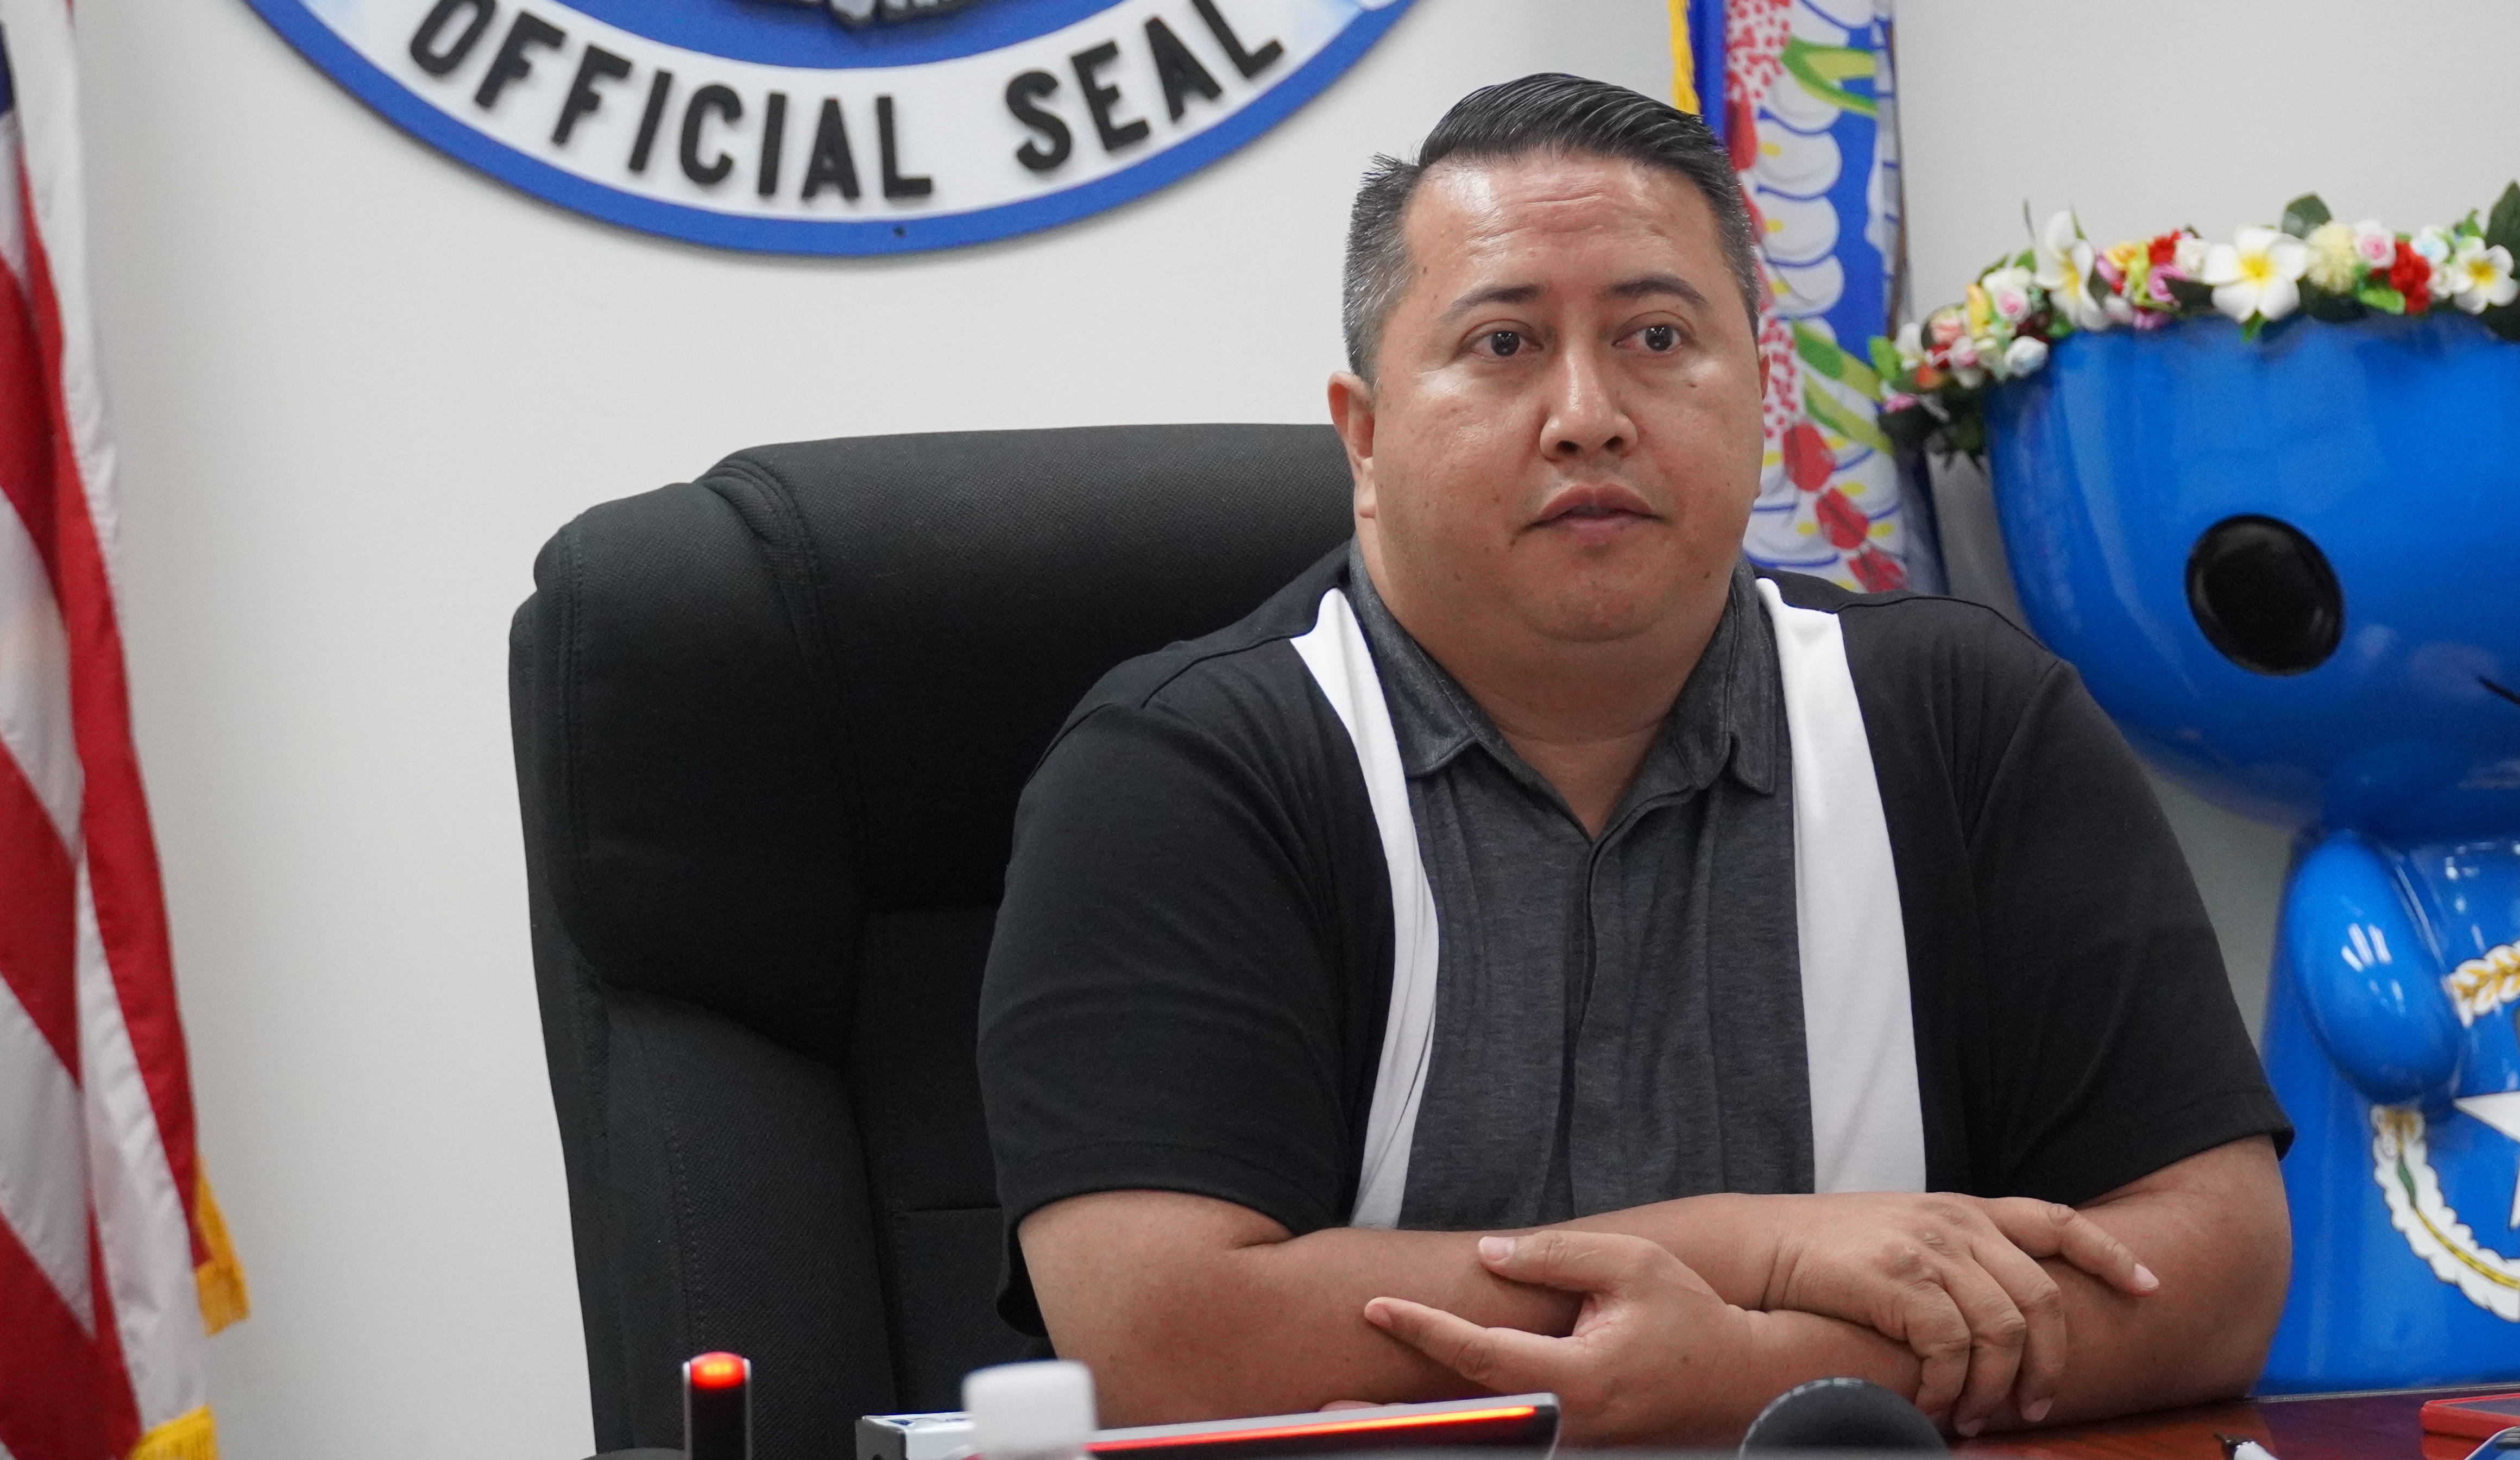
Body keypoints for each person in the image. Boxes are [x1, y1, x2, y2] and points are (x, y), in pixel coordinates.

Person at [980, 75, 2290, 1445]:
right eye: (1502, 344)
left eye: (1657, 334)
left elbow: (2215, 1268)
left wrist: (1753, 1369)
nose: (1588, 412)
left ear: (1762, 397)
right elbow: (1160, 1336)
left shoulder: (1962, 718)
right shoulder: (1190, 769)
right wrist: (1764, 1248)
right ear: (1364, 438)